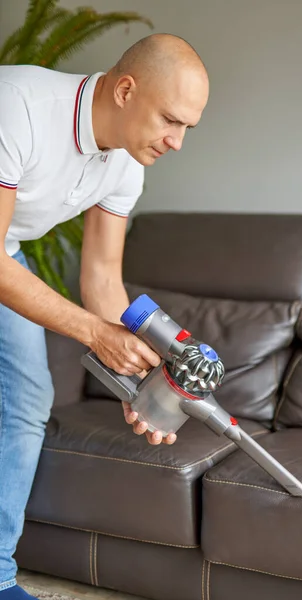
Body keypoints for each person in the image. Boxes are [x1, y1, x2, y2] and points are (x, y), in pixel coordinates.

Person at [0, 33, 209, 600]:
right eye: (170, 119)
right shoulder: (19, 106)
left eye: (188, 126)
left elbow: (102, 283)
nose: (178, 141)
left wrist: (145, 373)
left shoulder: (124, 166)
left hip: (5, 251)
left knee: (24, 398)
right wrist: (96, 333)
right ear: (125, 90)